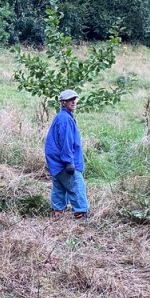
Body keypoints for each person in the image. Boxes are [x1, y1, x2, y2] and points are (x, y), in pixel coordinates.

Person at [44, 89, 88, 220]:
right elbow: (66, 142)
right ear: (63, 102)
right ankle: (80, 215)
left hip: (55, 162)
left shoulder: (63, 116)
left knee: (59, 187)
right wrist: (68, 162)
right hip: (63, 162)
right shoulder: (65, 119)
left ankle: (56, 214)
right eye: (70, 99)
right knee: (77, 185)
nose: (73, 101)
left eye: (75, 99)